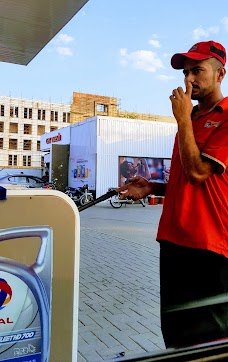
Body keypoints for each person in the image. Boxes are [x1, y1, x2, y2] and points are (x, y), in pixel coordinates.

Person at [117, 40, 228, 349]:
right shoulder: (190, 121)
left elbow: (198, 173)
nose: (189, 80)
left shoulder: (225, 116)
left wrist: (181, 118)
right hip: (175, 239)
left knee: (210, 339)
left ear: (220, 74)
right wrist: (153, 187)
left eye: (198, 71)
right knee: (178, 334)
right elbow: (190, 185)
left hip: (209, 244)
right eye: (185, 73)